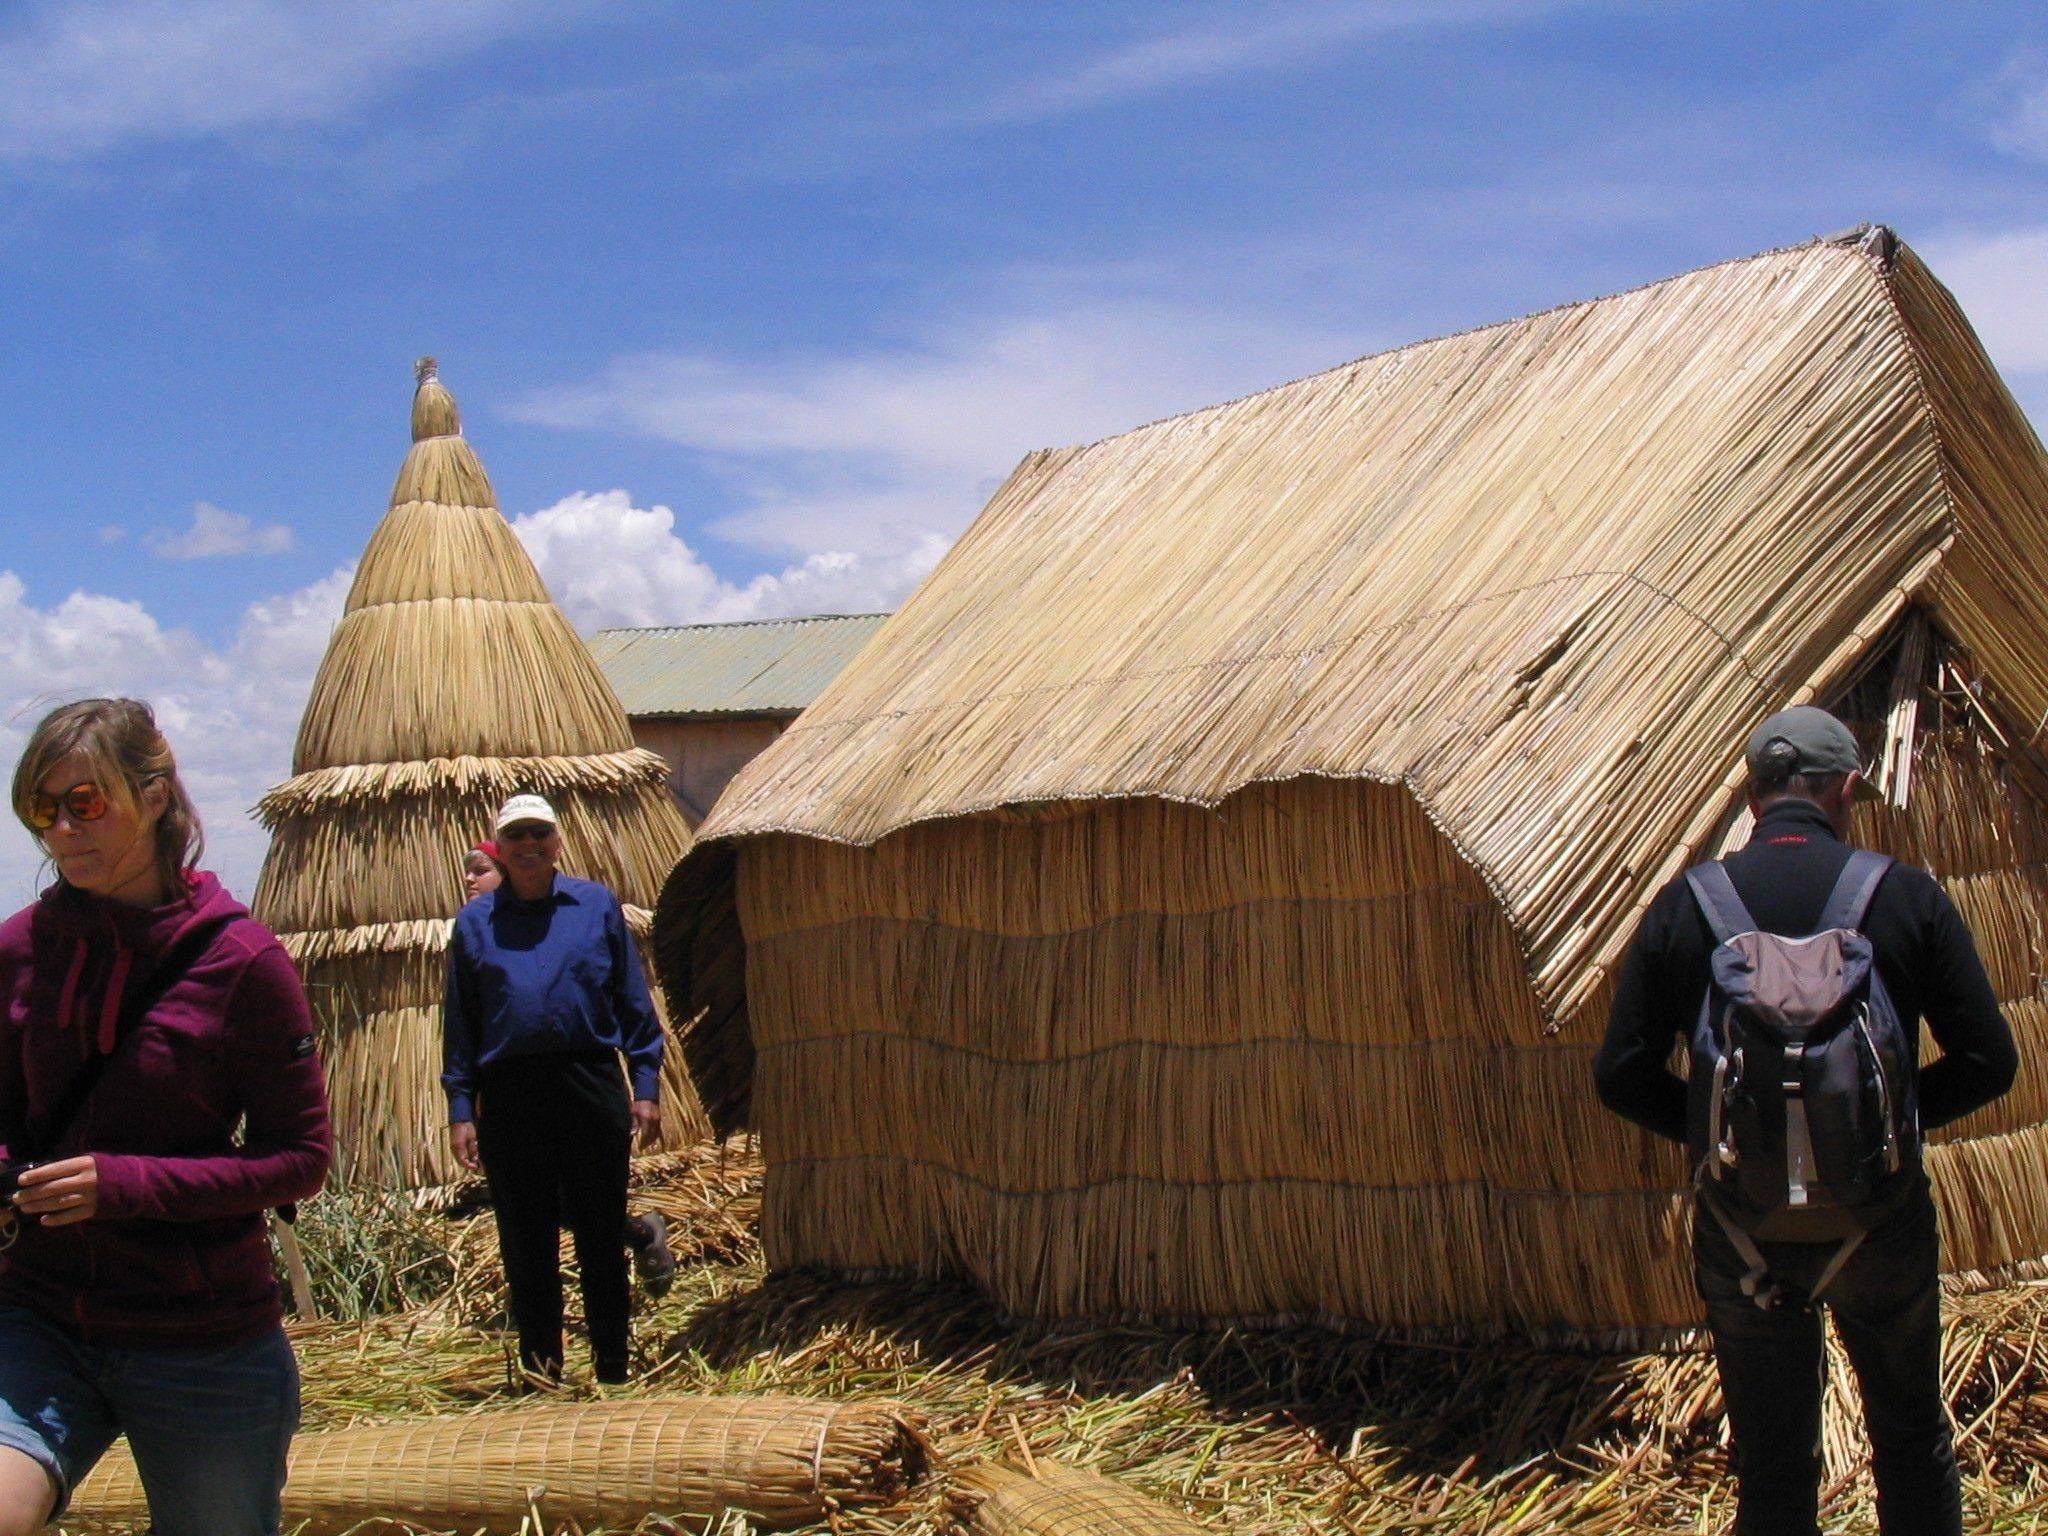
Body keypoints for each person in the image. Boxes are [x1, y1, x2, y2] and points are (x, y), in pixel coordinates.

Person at [1595, 705, 2018, 1536]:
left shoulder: (1688, 906)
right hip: (1879, 1222)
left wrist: (1714, 1136)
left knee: (1774, 1464)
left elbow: (1619, 1075)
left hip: (1743, 1229)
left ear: (1752, 798)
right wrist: (1888, 1125)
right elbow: (1991, 1062)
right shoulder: (1905, 896)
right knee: (1909, 1437)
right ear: (1848, 789)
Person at [0, 698, 332, 1536]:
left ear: (153, 794)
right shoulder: (17, 952)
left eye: (86, 802)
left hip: (201, 1339)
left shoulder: (242, 964)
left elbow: (299, 1158)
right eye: (43, 809)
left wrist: (129, 1185)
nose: (64, 831)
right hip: (40, 1317)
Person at [442, 793, 668, 1384]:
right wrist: (461, 1106)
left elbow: (631, 999)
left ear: (558, 841)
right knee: (526, 1238)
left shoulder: (594, 906)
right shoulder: (474, 923)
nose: (529, 845)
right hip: (510, 1091)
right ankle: (543, 1371)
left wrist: (645, 1084)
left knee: (599, 1230)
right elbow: (461, 1023)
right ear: (502, 846)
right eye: (516, 836)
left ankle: (613, 1370)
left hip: (589, 1080)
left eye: (540, 833)